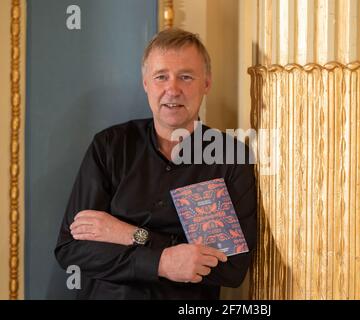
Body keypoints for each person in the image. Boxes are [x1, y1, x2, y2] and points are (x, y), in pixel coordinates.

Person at [54, 28, 257, 299]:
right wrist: (165, 261)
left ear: (206, 83)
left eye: (186, 77)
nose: (172, 89)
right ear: (146, 83)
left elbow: (231, 269)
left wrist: (130, 234)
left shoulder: (230, 157)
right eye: (161, 76)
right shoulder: (110, 146)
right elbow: (71, 249)